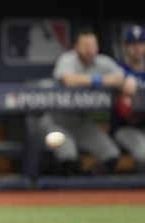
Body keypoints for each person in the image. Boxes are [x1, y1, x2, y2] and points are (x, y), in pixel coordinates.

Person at [38, 28, 136, 175]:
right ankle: (60, 192)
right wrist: (101, 80)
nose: (90, 49)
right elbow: (68, 79)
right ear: (76, 47)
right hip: (58, 122)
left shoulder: (103, 62)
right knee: (68, 158)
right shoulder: (67, 59)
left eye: (93, 45)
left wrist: (129, 80)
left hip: (83, 123)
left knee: (112, 156)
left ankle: (88, 184)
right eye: (85, 45)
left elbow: (121, 75)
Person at [110, 25, 145, 172]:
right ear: (125, 46)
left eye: (141, 43)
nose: (137, 48)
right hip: (126, 127)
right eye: (132, 44)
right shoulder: (117, 69)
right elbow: (124, 112)